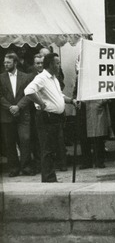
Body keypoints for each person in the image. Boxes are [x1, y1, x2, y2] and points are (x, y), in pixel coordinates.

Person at [22, 53, 74, 182]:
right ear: (50, 64)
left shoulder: (54, 78)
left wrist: (71, 101)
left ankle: (51, 177)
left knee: (52, 148)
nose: (59, 65)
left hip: (56, 118)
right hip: (46, 117)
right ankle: (48, 179)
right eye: (57, 63)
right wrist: (40, 103)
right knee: (47, 149)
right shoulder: (42, 78)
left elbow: (59, 95)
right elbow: (28, 91)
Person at [0, 53, 36, 176]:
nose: (5, 64)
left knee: (25, 139)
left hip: (23, 114)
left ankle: (26, 167)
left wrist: (18, 106)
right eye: (5, 62)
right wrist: (10, 107)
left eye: (8, 62)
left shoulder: (26, 77)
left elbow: (29, 94)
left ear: (15, 63)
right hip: (7, 114)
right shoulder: (1, 78)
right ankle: (14, 168)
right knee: (10, 142)